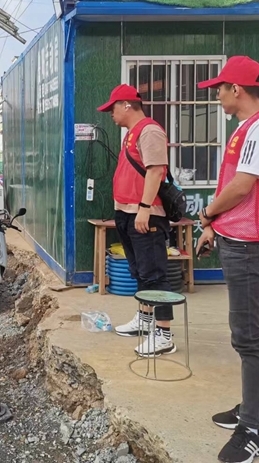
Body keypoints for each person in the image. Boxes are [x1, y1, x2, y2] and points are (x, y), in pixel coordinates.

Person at [195, 56, 259, 463]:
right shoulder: (249, 128)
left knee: (246, 336)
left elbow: (242, 186)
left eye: (220, 88)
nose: (217, 94)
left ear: (237, 89)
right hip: (241, 238)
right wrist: (215, 226)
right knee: (257, 329)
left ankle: (251, 430)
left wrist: (207, 215)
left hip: (250, 244)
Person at [97, 84, 174, 357]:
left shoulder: (150, 130)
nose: (110, 114)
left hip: (145, 214)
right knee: (140, 272)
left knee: (154, 274)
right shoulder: (131, 134)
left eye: (113, 108)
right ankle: (144, 318)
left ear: (127, 105)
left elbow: (155, 171)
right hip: (128, 212)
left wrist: (144, 208)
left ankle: (164, 334)